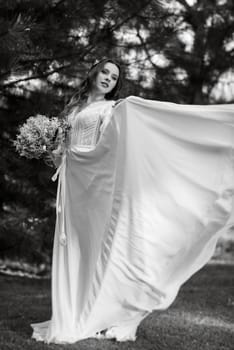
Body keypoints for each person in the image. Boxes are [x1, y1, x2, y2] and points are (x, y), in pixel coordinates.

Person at [31, 58, 234, 344]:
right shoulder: (73, 108)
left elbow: (111, 145)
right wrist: (45, 147)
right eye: (104, 71)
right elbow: (61, 152)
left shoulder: (112, 108)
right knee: (75, 246)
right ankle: (74, 309)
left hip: (94, 185)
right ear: (93, 72)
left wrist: (130, 108)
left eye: (114, 77)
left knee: (96, 247)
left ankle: (101, 311)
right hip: (72, 187)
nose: (108, 79)